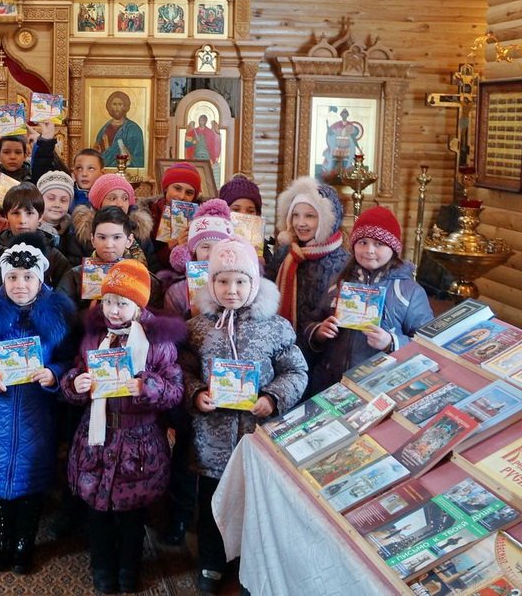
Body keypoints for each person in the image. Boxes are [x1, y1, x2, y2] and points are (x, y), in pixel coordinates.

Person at [182, 237, 308, 594]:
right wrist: (196, 393)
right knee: (211, 502)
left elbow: (296, 371)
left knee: (254, 504)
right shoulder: (199, 328)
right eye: (222, 281)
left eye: (240, 281)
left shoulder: (275, 328)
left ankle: (249, 564)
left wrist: (273, 397)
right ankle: (211, 562)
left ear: (254, 283)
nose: (232, 290)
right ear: (211, 284)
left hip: (257, 437)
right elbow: (183, 370)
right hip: (212, 439)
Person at [61, 259, 185, 594]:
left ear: (139, 304)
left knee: (132, 516)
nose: (114, 310)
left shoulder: (157, 342)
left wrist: (147, 387)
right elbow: (73, 376)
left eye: (123, 303)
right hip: (96, 439)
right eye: (109, 301)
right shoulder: (92, 336)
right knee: (97, 513)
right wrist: (76, 383)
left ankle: (129, 567)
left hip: (139, 442)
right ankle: (102, 566)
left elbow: (175, 390)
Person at [0, 235, 76, 575]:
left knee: (31, 485)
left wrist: (53, 374)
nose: (20, 284)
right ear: (2, 279)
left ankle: (25, 543)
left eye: (28, 278)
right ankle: (4, 539)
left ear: (41, 279)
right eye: (12, 277)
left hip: (36, 417)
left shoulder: (56, 318)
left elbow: (70, 360)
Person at [307, 207, 433, 396]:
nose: (369, 250)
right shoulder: (338, 282)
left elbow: (428, 345)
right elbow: (313, 320)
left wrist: (392, 342)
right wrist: (318, 332)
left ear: (393, 248)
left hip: (380, 388)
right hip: (331, 383)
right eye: (363, 242)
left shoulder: (409, 292)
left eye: (378, 244)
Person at [265, 177, 351, 386]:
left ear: (326, 220)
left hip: (323, 356)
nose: (300, 223)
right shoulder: (285, 254)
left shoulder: (343, 262)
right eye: (295, 215)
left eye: (310, 216)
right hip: (283, 350)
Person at [58, 206, 164, 311]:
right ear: (92, 240)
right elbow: (60, 315)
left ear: (129, 240)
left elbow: (157, 319)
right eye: (102, 237)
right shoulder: (75, 277)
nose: (109, 245)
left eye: (117, 237)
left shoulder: (146, 280)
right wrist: (87, 316)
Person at [0, 184, 72, 288]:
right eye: (15, 213)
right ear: (6, 216)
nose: (22, 220)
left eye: (29, 213)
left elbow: (64, 298)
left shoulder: (55, 258)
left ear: (40, 216)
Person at [62, 173, 155, 269]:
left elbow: (153, 267)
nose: (120, 204)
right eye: (112, 198)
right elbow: (73, 270)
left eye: (125, 198)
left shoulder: (139, 230)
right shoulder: (81, 233)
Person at [163, 199, 235, 318]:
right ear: (192, 251)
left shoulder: (240, 285)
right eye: (205, 247)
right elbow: (173, 331)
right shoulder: (176, 293)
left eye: (219, 246)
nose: (212, 254)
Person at [146, 161, 202, 270]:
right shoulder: (149, 215)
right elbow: (148, 263)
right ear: (166, 188)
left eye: (189, 193)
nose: (181, 196)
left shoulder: (201, 217)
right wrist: (171, 247)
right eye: (177, 188)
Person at [95, 91, 145, 169]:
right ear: (109, 106)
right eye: (114, 104)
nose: (117, 108)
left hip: (126, 171)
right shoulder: (104, 129)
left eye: (120, 104)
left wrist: (130, 158)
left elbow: (140, 159)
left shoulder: (134, 129)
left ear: (125, 107)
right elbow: (97, 154)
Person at [36, 170, 74, 246]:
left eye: (63, 200)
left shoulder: (73, 231)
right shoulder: (29, 228)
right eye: (51, 198)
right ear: (39, 199)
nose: (57, 204)